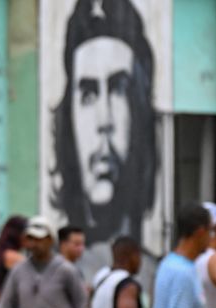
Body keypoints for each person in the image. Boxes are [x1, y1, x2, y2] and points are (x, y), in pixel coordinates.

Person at [49, 0, 159, 279]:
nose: (104, 120)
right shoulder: (52, 274)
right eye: (87, 94)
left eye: (119, 90)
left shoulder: (156, 277)